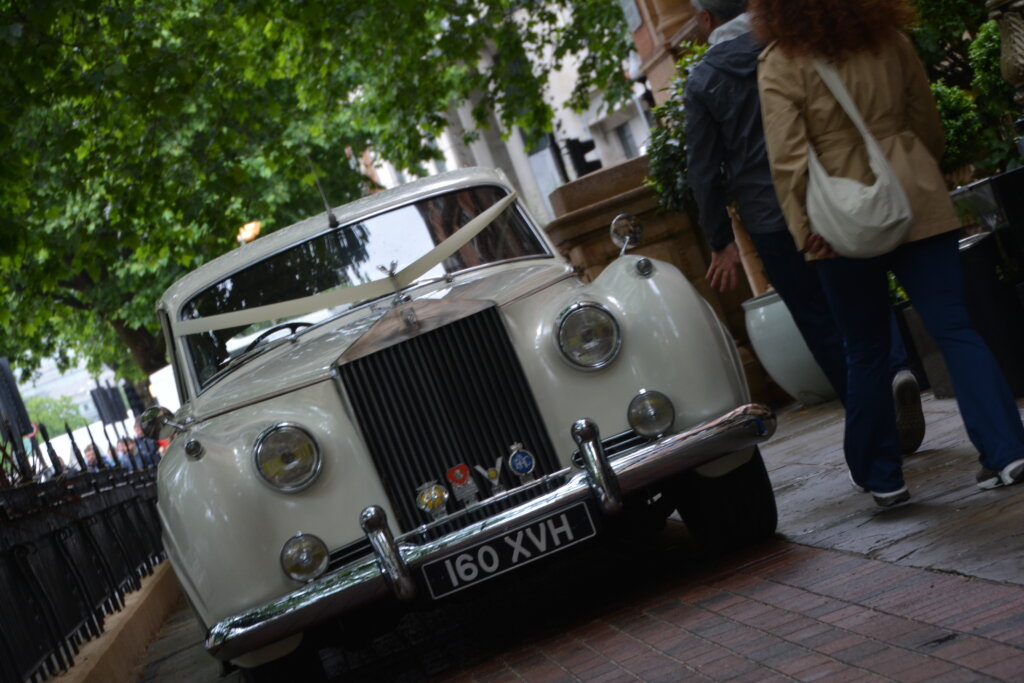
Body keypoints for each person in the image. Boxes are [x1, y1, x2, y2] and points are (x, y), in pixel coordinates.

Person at [752, 0, 1024, 506]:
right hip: (914, 192)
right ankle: (1006, 450)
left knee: (866, 347)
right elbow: (926, 121)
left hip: (837, 218)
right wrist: (917, 169)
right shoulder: (888, 37)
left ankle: (883, 477)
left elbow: (787, 159)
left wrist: (803, 227)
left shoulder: (780, 61)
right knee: (955, 327)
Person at [683, 0, 924, 454]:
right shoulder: (791, 44)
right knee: (863, 298)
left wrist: (720, 241)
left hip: (770, 219)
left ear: (707, 20)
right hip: (829, 197)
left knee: (821, 325)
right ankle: (897, 369)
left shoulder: (703, 81)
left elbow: (703, 170)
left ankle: (876, 435)